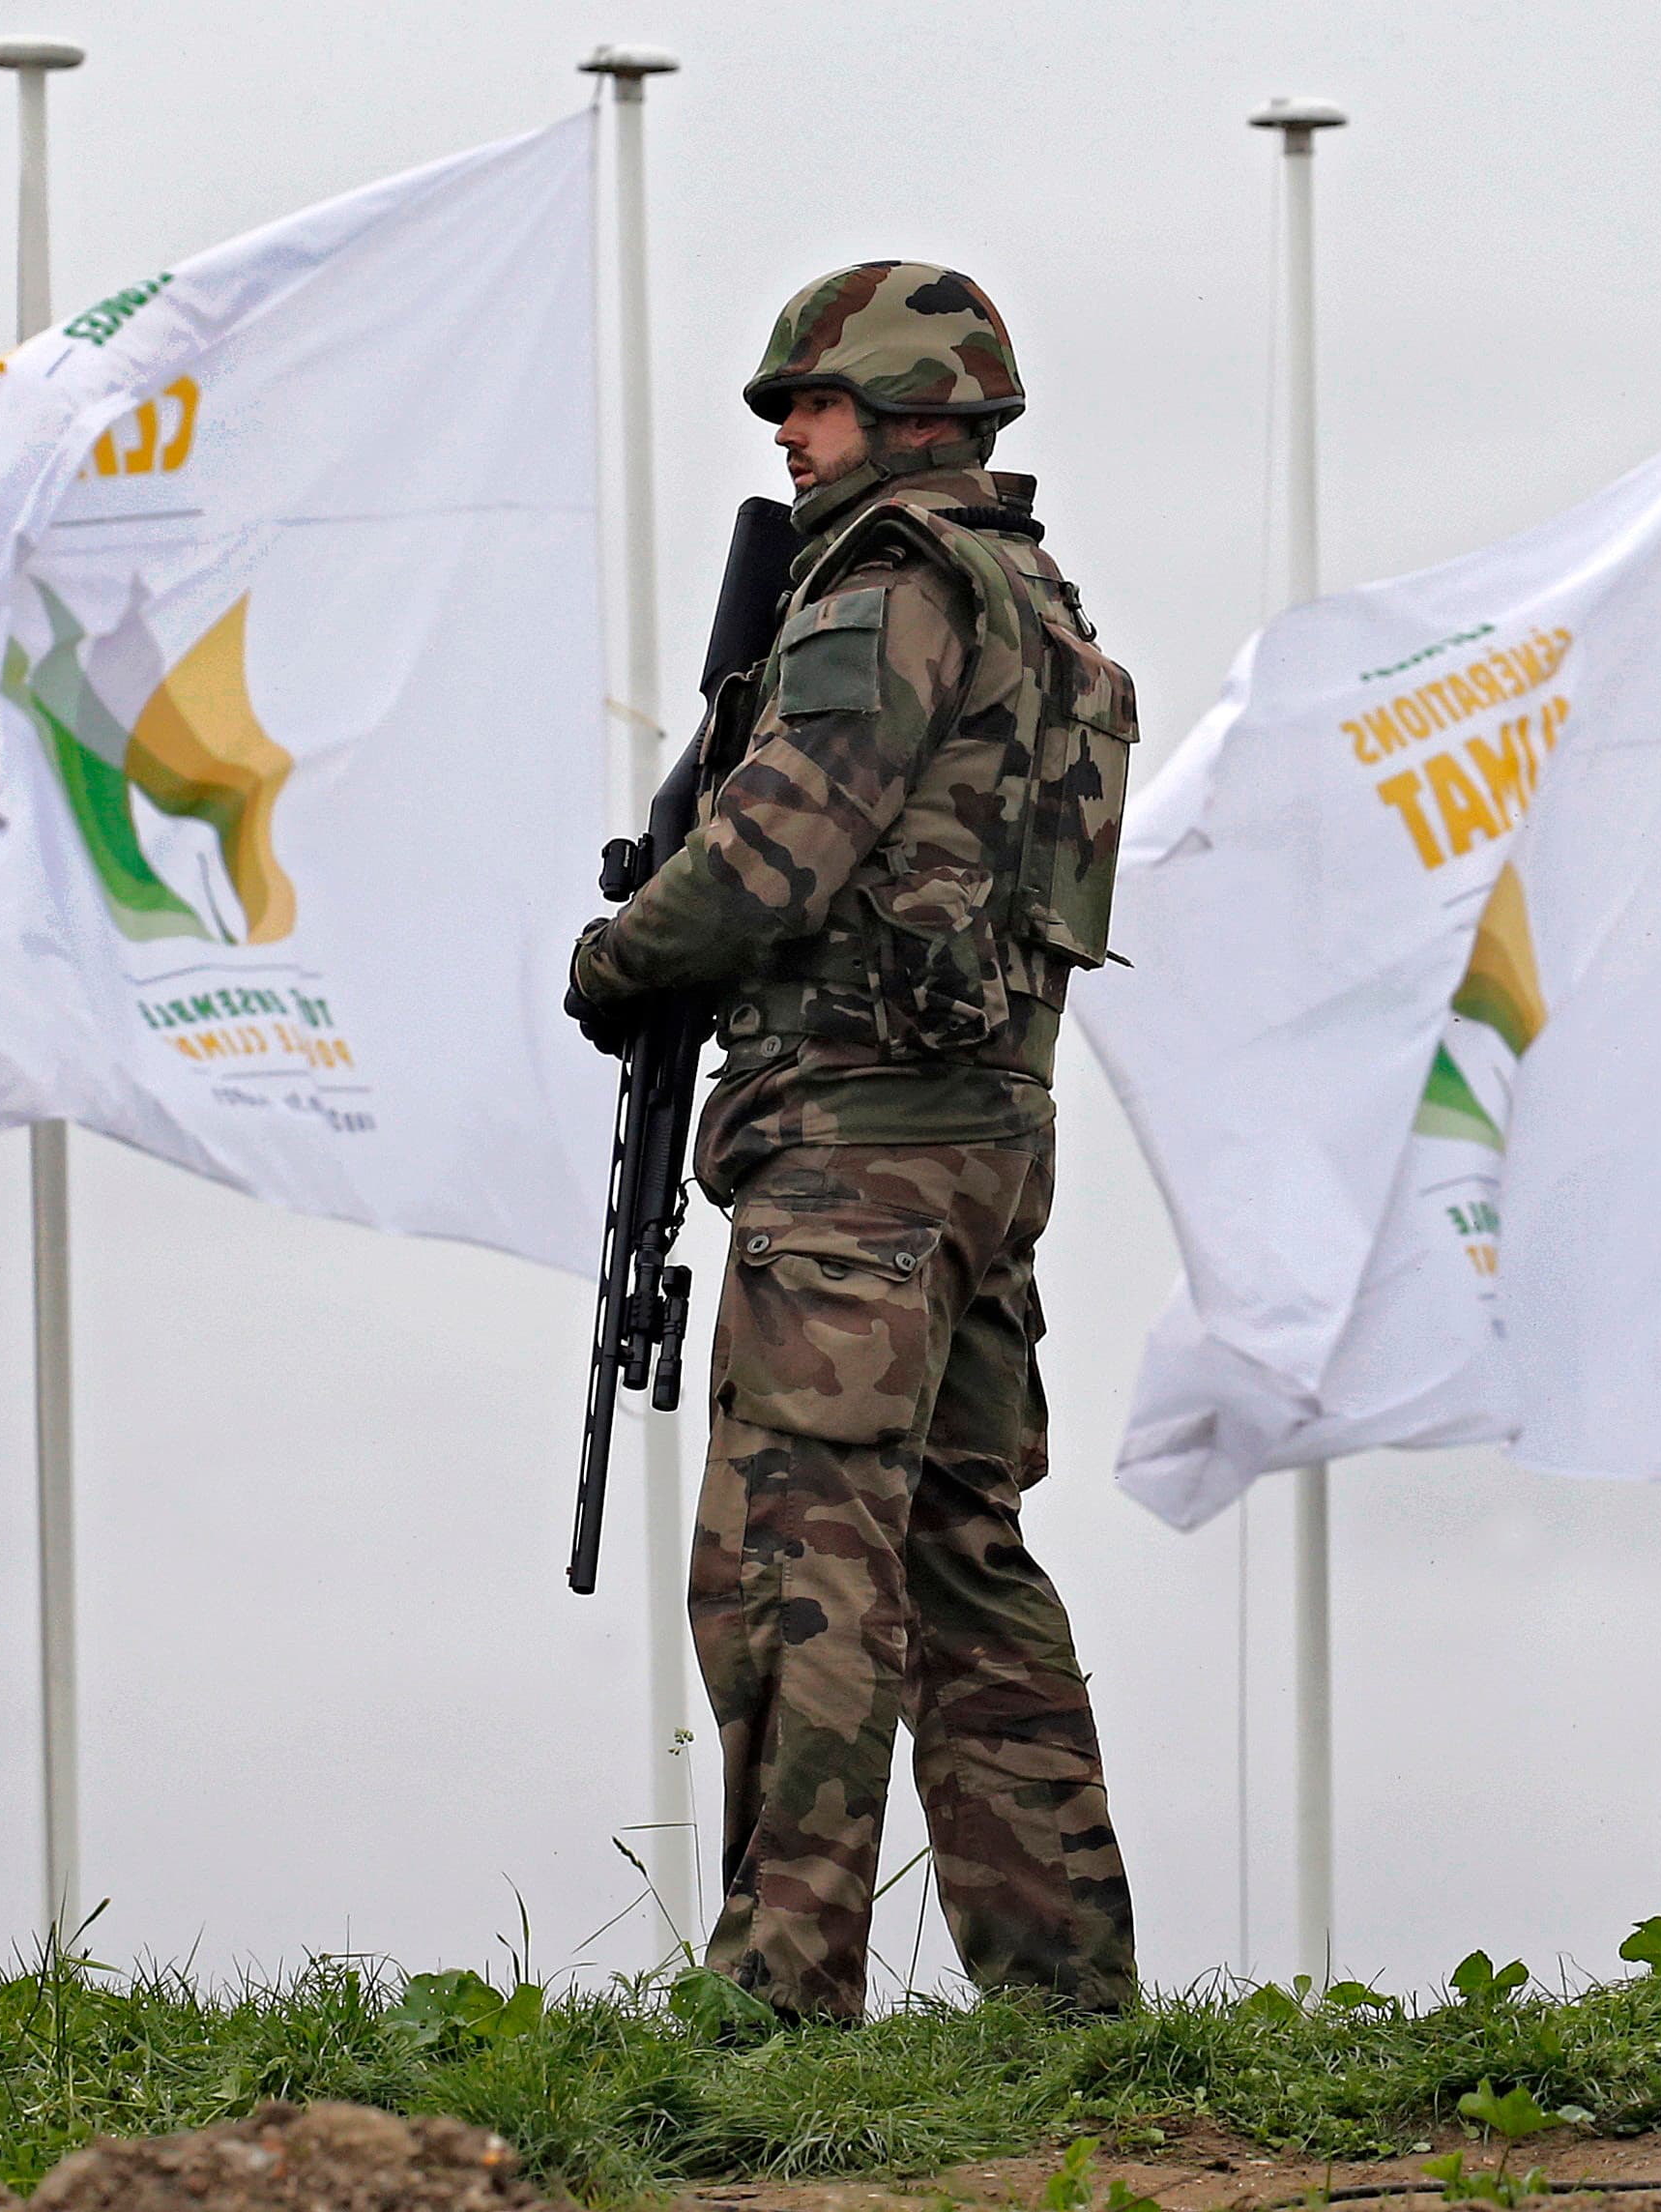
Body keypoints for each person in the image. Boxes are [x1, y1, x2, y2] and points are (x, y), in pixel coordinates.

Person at [565, 263, 1140, 2024]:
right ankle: (1066, 1997)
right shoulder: (1037, 603)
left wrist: (626, 945)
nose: (792, 440)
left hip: (859, 1151)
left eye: (809, 405)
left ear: (904, 408)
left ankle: (780, 1987)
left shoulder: (881, 591)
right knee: (964, 1553)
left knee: (795, 1562)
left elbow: (776, 853)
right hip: (983, 1140)